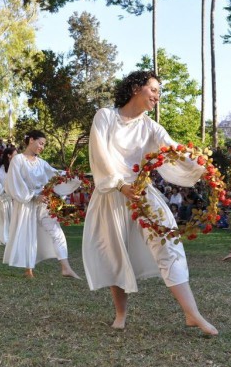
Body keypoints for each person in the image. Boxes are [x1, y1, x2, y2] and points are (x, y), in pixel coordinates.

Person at [82, 70, 217, 335]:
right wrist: (120, 185)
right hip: (111, 194)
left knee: (169, 244)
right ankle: (120, 314)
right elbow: (99, 154)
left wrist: (205, 169)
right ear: (135, 88)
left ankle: (192, 314)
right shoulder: (105, 117)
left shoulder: (151, 128)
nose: (157, 96)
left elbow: (174, 152)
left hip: (143, 194)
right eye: (153, 89)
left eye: (158, 91)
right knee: (116, 254)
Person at [3, 130, 80, 280]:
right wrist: (33, 196)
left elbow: (55, 174)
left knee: (57, 232)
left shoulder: (41, 163)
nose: (42, 147)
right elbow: (15, 183)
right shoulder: (18, 160)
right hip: (26, 204)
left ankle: (66, 267)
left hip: (43, 205)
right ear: (31, 140)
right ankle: (29, 269)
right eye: (41, 143)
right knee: (28, 235)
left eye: (44, 144)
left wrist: (75, 178)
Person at [0, 147, 17, 245]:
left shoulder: (15, 169)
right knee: (4, 220)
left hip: (14, 198)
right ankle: (3, 240)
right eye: (15, 154)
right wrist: (4, 191)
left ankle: (13, 239)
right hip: (4, 198)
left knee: (14, 220)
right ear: (9, 155)